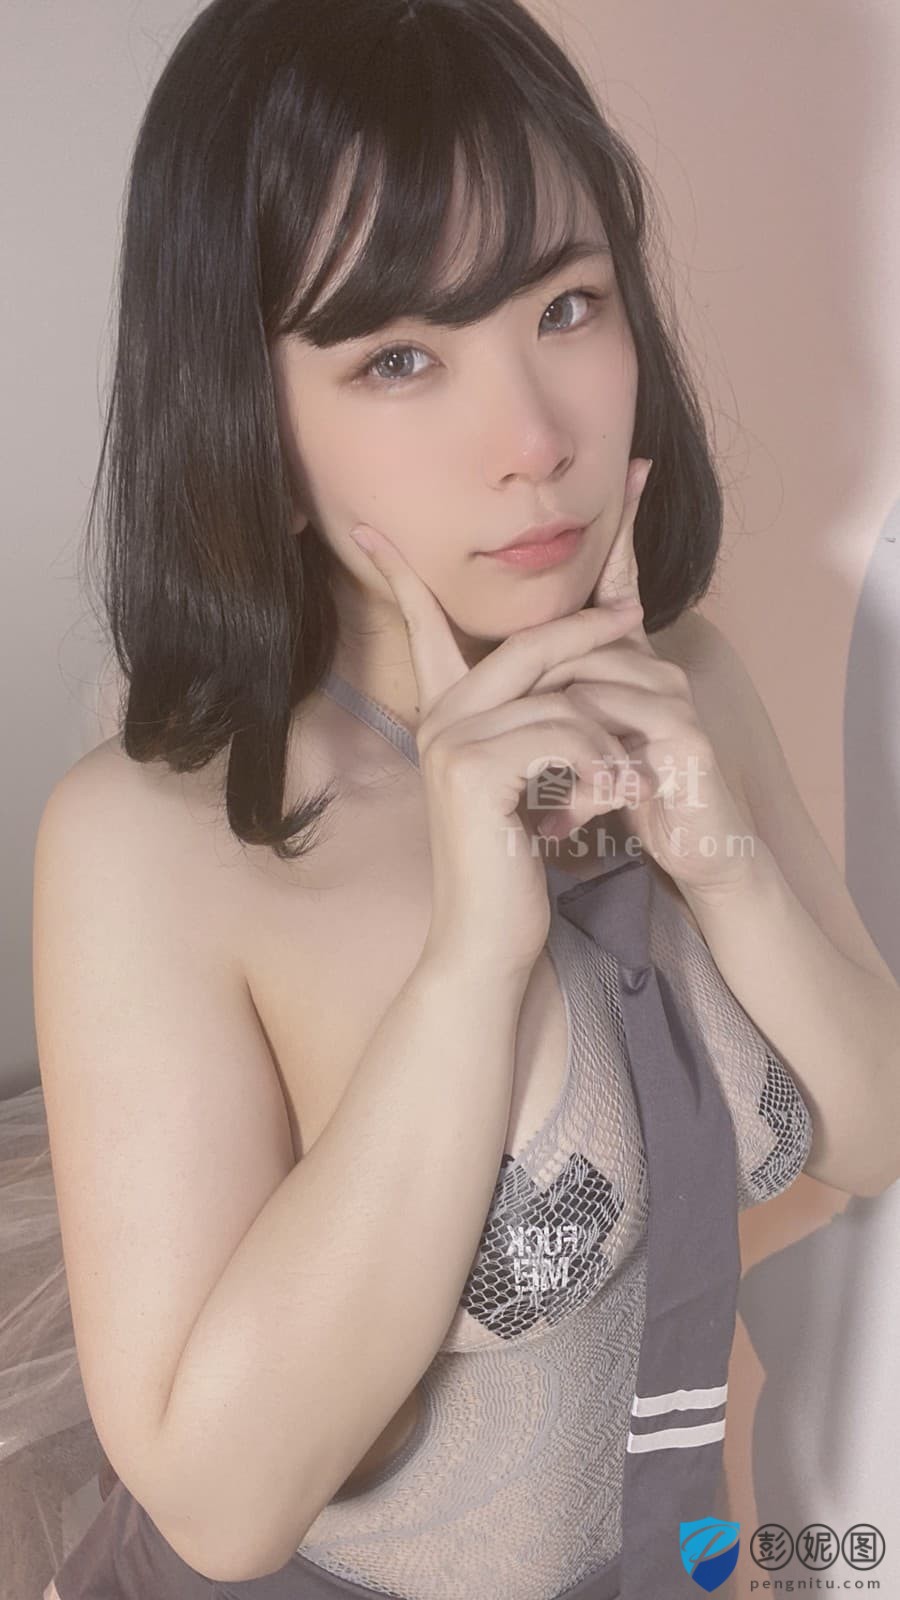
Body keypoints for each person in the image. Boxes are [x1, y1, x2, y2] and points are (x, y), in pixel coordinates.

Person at [15, 1, 898, 1598]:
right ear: (252, 414)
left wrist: (723, 860)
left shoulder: (684, 682)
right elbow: (222, 1506)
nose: (536, 440)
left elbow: (874, 1133)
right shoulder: (153, 843)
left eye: (568, 305)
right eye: (402, 358)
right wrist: (470, 969)